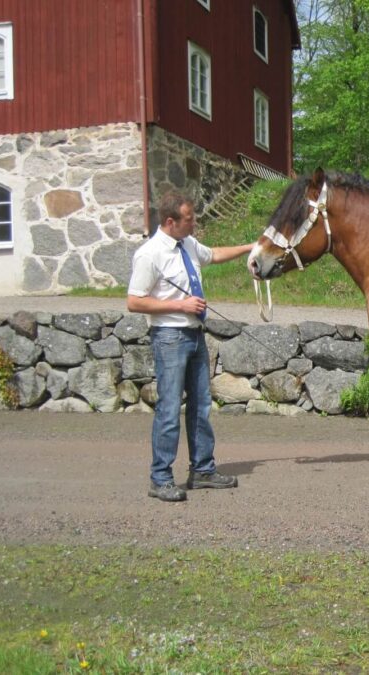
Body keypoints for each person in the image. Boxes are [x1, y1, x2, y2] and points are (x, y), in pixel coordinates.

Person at [127, 192, 256, 502]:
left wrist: (251, 247)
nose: (194, 221)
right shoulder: (150, 254)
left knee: (201, 405)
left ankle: (202, 470)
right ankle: (160, 478)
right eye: (189, 218)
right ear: (171, 222)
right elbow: (134, 301)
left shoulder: (187, 244)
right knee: (169, 409)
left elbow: (213, 254)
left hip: (195, 335)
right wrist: (181, 305)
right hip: (169, 338)